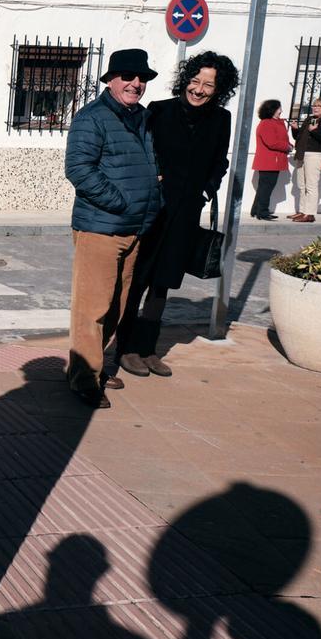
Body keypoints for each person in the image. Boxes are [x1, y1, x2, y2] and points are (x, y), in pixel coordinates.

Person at [115, 51, 237, 379]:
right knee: (138, 279)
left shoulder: (221, 119)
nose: (198, 89)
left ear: (219, 89)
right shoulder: (159, 111)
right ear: (186, 80)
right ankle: (125, 348)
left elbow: (219, 163)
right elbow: (144, 150)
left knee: (164, 283)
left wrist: (206, 189)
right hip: (154, 210)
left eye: (208, 85)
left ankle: (148, 349)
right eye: (195, 81)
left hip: (185, 214)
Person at [63, 48, 161, 409]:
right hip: (101, 228)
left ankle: (95, 366)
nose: (136, 84)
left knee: (118, 306)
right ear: (111, 80)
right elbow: (78, 169)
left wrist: (154, 198)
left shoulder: (142, 118)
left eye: (142, 79)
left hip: (134, 228)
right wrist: (121, 201)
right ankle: (83, 378)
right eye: (129, 77)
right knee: (92, 308)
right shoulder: (93, 118)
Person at [289, 96, 321, 222]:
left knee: (311, 185)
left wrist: (314, 131)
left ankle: (310, 214)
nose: (315, 108)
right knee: (301, 185)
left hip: (315, 154)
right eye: (314, 106)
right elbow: (298, 137)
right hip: (302, 153)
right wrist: (295, 129)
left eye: (319, 106)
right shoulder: (309, 119)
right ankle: (303, 211)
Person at [250, 99, 291, 220]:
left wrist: (289, 145)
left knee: (264, 187)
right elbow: (272, 143)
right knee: (266, 188)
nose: (281, 111)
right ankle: (262, 212)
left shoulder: (273, 123)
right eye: (279, 108)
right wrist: (287, 147)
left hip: (273, 161)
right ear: (272, 110)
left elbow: (280, 139)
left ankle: (256, 210)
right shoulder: (267, 123)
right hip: (269, 162)